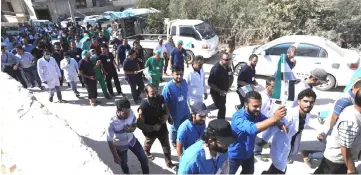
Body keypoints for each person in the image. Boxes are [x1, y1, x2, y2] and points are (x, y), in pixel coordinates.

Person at [228, 91, 287, 174]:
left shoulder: (256, 114)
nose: (258, 109)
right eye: (255, 106)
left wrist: (278, 123)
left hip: (248, 154)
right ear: (246, 104)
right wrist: (274, 118)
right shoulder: (238, 117)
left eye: (260, 106)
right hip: (234, 155)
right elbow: (252, 129)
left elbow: (266, 120)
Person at [262, 89, 316, 174]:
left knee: (277, 168)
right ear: (298, 101)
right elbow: (272, 128)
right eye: (305, 101)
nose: (308, 104)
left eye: (311, 102)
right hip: (280, 145)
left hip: (289, 145)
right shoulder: (289, 114)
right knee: (279, 170)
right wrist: (261, 142)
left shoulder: (307, 114)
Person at [314, 89, 361, 174]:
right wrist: (351, 169)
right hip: (335, 163)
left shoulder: (353, 109)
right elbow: (345, 147)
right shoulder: (351, 122)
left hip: (344, 160)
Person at [137, 84, 177, 170]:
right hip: (150, 131)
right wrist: (152, 128)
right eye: (152, 93)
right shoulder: (143, 106)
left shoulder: (161, 98)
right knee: (148, 143)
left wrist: (167, 116)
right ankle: (147, 151)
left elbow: (166, 107)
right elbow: (139, 124)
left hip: (162, 128)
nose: (155, 95)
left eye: (156, 92)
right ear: (146, 93)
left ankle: (169, 162)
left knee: (166, 146)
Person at [106, 98, 149, 174]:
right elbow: (109, 140)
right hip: (120, 145)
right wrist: (115, 156)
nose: (128, 114)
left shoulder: (131, 113)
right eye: (125, 113)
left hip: (132, 141)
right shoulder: (112, 123)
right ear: (118, 111)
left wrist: (132, 129)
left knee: (144, 159)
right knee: (123, 163)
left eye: (129, 111)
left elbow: (135, 123)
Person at [162, 66, 190, 147]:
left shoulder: (184, 83)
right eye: (177, 74)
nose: (179, 76)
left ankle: (184, 138)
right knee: (175, 128)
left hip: (185, 111)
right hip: (175, 114)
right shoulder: (168, 88)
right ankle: (174, 140)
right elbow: (164, 103)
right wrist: (168, 116)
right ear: (172, 74)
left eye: (181, 74)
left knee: (186, 126)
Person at [254, 77, 276, 161]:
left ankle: (273, 152)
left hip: (272, 120)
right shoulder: (260, 96)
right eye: (273, 86)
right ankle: (256, 153)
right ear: (267, 86)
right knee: (260, 139)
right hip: (261, 121)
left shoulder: (276, 96)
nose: (275, 89)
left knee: (271, 138)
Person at [208, 52, 234, 119]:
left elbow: (230, 76)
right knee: (222, 109)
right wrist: (220, 91)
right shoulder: (216, 69)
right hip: (216, 93)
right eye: (226, 59)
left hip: (224, 91)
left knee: (220, 105)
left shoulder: (228, 67)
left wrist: (228, 87)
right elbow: (210, 83)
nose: (227, 61)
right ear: (220, 59)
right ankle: (220, 123)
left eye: (229, 59)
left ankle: (206, 109)